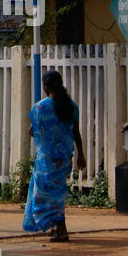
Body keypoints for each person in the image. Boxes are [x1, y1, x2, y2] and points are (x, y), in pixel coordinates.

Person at [23, 70, 85, 242]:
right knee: (57, 191)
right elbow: (76, 132)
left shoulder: (40, 107)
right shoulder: (71, 106)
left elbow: (32, 132)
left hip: (46, 159)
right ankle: (56, 226)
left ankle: (62, 229)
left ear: (45, 86)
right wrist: (81, 154)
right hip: (64, 158)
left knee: (44, 194)